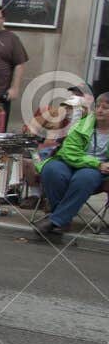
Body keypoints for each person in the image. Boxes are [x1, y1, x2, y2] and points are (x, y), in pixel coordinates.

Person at [36, 92, 109, 238]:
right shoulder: (82, 124)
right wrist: (96, 163)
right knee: (52, 170)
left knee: (84, 178)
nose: (100, 110)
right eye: (98, 106)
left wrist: (101, 165)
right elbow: (69, 152)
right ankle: (62, 219)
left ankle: (56, 220)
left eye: (106, 107)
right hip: (72, 161)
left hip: (95, 170)